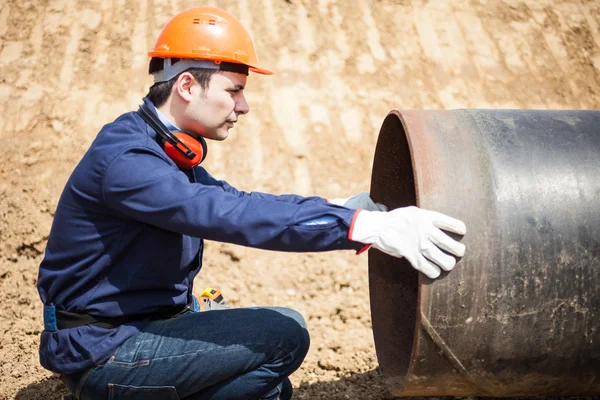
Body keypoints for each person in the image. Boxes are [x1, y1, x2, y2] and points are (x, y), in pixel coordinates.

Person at [37, 6, 466, 400]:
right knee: (284, 333)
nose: (244, 105)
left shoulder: (156, 147)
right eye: (234, 90)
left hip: (132, 329)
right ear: (187, 85)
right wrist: (360, 227)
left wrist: (339, 208)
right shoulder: (129, 162)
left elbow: (233, 200)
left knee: (269, 392)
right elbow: (229, 215)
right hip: (104, 353)